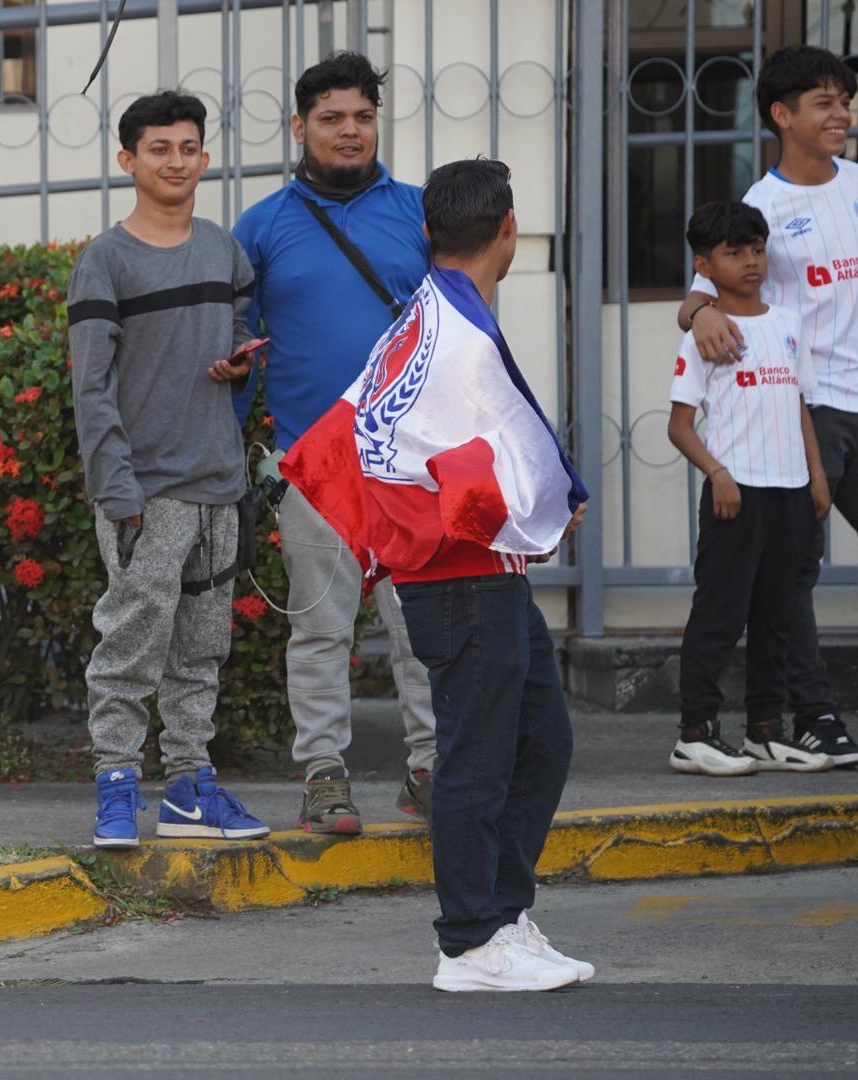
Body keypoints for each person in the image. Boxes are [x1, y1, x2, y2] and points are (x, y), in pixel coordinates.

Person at [282, 159, 593, 992]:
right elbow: (478, 469)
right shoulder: (458, 334)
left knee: (539, 740)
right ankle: (467, 941)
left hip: (470, 572)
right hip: (459, 575)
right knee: (477, 756)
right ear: (508, 232)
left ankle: (502, 915)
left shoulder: (430, 313)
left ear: (428, 233)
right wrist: (553, 503)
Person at [230, 52, 438, 833]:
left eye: (361, 116)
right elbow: (238, 350)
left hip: (409, 461)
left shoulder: (421, 213)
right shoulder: (262, 227)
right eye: (331, 118)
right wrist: (231, 453)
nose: (349, 132)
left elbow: (458, 339)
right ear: (300, 126)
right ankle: (323, 777)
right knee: (320, 631)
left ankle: (429, 771)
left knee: (421, 629)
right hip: (312, 468)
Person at [70, 90, 271, 848]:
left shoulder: (224, 250)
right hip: (144, 495)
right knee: (128, 646)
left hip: (220, 485)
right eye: (159, 149)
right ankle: (117, 786)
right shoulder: (106, 260)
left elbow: (243, 334)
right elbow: (90, 388)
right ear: (128, 161)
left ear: (205, 158)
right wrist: (116, 491)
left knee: (201, 651)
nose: (176, 161)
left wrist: (237, 365)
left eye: (188, 147)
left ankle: (190, 790)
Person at [675, 46, 858, 770]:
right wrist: (695, 314)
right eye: (824, 101)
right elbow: (708, 286)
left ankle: (786, 717)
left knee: (790, 579)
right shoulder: (765, 206)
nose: (842, 112)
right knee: (793, 581)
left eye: (846, 99)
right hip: (813, 409)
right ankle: (809, 714)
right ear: (782, 115)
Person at [669, 201, 835, 776]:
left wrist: (816, 477)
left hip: (792, 495)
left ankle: (767, 731)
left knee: (779, 616)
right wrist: (718, 473)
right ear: (704, 264)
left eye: (757, 249)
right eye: (734, 252)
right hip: (735, 496)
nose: (750, 262)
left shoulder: (788, 324)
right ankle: (695, 733)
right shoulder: (707, 334)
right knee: (719, 615)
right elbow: (680, 425)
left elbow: (799, 405)